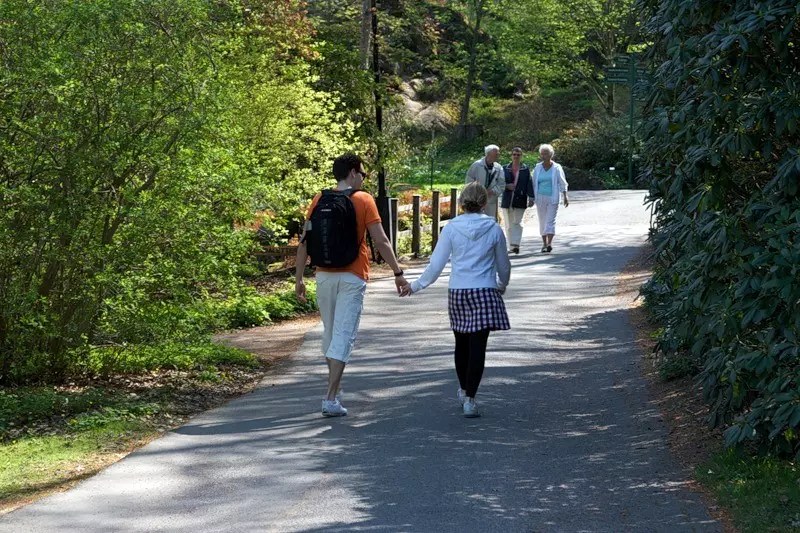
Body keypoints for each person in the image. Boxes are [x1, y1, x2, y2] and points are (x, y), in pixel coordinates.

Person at [295, 153, 408, 417]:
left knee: (330, 333)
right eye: (362, 174)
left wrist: (299, 278)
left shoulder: (319, 199)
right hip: (353, 276)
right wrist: (397, 272)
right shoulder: (363, 199)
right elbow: (380, 241)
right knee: (344, 335)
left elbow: (303, 241)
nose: (363, 179)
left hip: (323, 275)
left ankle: (335, 386)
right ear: (354, 172)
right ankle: (330, 398)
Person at [399, 182, 511, 418]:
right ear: (483, 203)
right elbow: (503, 265)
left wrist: (415, 286)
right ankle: (470, 398)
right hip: (485, 291)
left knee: (461, 343)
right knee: (478, 347)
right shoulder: (493, 229)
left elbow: (436, 265)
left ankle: (462, 389)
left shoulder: (451, 228)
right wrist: (501, 284)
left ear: (461, 203)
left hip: (459, 291)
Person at [532, 143, 569, 253]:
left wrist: (565, 196)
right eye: (542, 154)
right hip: (540, 197)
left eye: (546, 154)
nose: (544, 156)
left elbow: (563, 182)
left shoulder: (557, 167)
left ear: (551, 154)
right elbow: (533, 182)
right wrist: (531, 198)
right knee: (542, 221)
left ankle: (549, 243)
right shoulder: (538, 167)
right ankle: (543, 243)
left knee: (550, 221)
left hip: (553, 198)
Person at [500, 147, 535, 254]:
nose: (516, 156)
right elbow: (499, 183)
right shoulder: (504, 168)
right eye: (514, 154)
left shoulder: (525, 169)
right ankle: (511, 245)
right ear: (511, 155)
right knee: (508, 224)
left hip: (520, 198)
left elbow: (529, 183)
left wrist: (531, 197)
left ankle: (516, 244)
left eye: (518, 155)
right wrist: (506, 186)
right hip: (507, 199)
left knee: (517, 222)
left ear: (521, 156)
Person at [465, 144, 505, 220]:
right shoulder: (476, 165)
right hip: (476, 200)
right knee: (476, 220)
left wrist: (492, 191)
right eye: (496, 153)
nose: (498, 155)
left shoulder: (498, 167)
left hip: (490, 200)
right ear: (488, 154)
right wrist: (477, 191)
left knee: (489, 221)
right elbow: (468, 181)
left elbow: (502, 184)